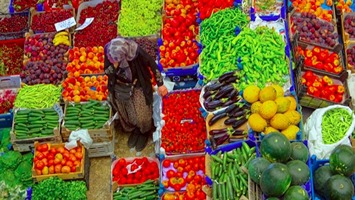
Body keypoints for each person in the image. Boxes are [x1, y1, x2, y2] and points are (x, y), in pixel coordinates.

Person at [104, 37, 168, 151]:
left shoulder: (134, 51)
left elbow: (152, 63)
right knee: (128, 112)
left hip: (138, 83)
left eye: (118, 59)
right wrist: (114, 66)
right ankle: (135, 129)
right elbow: (107, 71)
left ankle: (144, 132)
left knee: (142, 112)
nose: (114, 60)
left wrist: (160, 83)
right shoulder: (110, 51)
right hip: (120, 87)